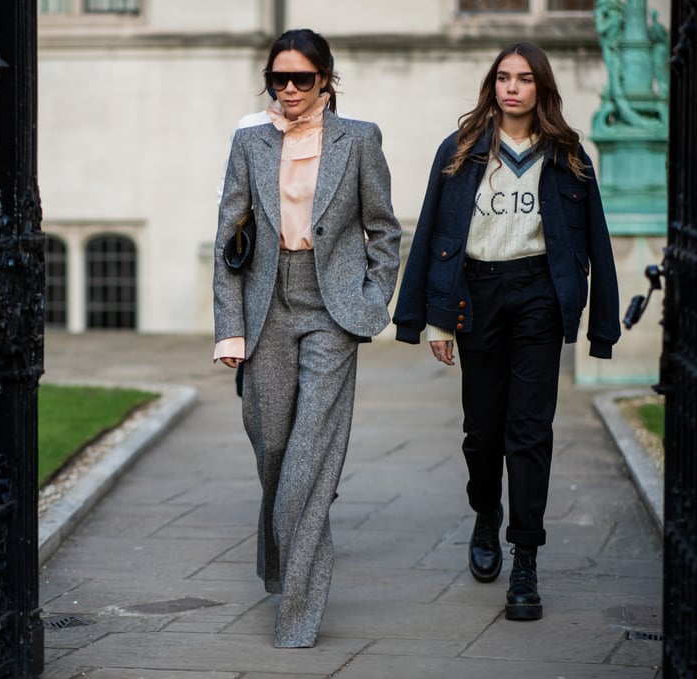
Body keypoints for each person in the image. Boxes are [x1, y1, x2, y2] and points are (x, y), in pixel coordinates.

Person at [392, 42, 620, 621]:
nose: (511, 87)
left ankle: (526, 559)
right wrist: (431, 318)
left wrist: (602, 327)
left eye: (523, 79)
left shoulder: (568, 154)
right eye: (502, 78)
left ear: (541, 86)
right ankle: (486, 513)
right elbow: (433, 235)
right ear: (491, 85)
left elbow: (596, 239)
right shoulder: (463, 149)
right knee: (482, 431)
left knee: (530, 430)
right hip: (477, 296)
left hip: (539, 296)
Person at [213, 28, 401, 648]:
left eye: (302, 79)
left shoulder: (360, 139)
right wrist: (230, 328)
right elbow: (228, 242)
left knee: (308, 459)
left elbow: (384, 229)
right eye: (279, 79)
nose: (289, 90)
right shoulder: (248, 143)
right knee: (271, 449)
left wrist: (371, 301)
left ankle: (296, 614)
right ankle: (283, 561)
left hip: (332, 308)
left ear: (326, 80)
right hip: (267, 306)